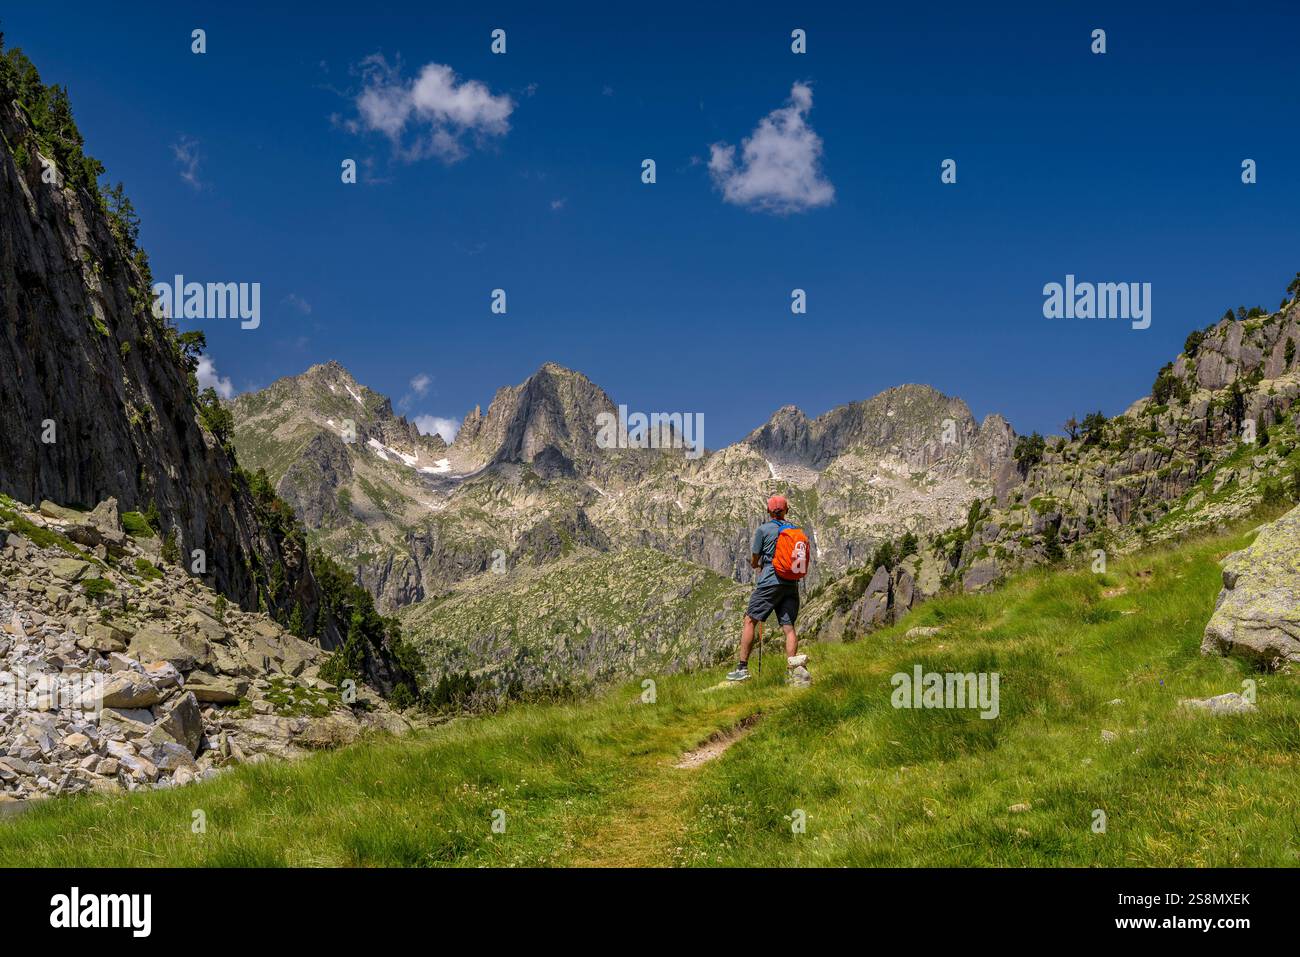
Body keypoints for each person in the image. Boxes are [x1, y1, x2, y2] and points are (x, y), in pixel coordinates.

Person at [727, 495, 807, 682]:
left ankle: (742, 668)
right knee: (788, 627)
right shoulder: (795, 531)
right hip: (791, 583)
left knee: (750, 620)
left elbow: (755, 558)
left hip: (770, 581)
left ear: (769, 511)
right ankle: (794, 670)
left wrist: (758, 564)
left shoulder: (763, 530)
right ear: (786, 510)